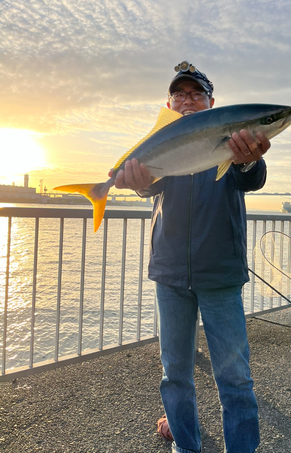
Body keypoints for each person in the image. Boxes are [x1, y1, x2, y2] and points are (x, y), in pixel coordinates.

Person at [112, 61, 271, 453]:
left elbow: (251, 176)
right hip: (169, 274)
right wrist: (134, 183)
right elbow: (149, 187)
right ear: (168, 102)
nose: (187, 100)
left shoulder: (231, 142)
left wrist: (247, 158)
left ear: (211, 102)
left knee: (235, 377)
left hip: (219, 275)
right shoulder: (162, 144)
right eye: (179, 94)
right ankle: (185, 446)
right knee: (175, 376)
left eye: (195, 94)